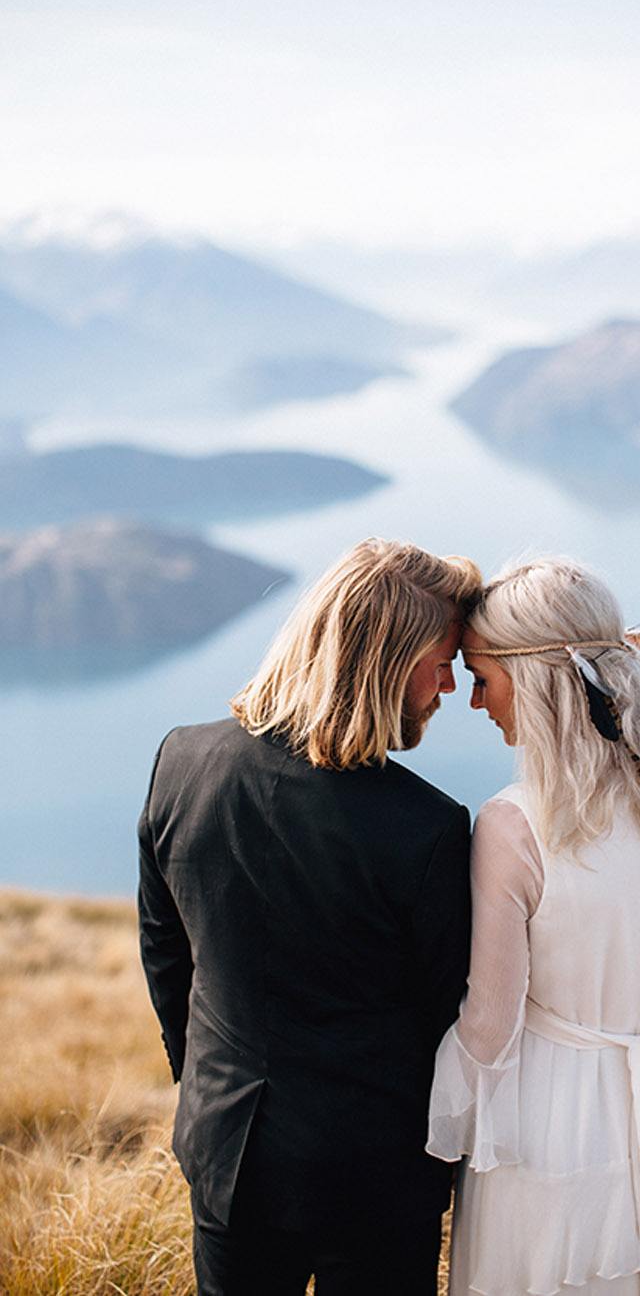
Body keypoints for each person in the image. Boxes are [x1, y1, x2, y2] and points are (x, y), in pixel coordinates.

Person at [138, 538, 481, 1296]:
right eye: (443, 660)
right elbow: (449, 1013)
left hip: (227, 1150)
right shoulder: (426, 828)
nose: (448, 686)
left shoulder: (181, 761)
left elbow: (167, 954)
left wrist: (204, 1081)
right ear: (387, 661)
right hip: (377, 1177)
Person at [428, 558, 640, 1296]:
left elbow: (490, 1029)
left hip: (555, 1113)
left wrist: (431, 1106)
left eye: (484, 678)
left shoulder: (514, 824)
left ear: (539, 681)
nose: (475, 701)